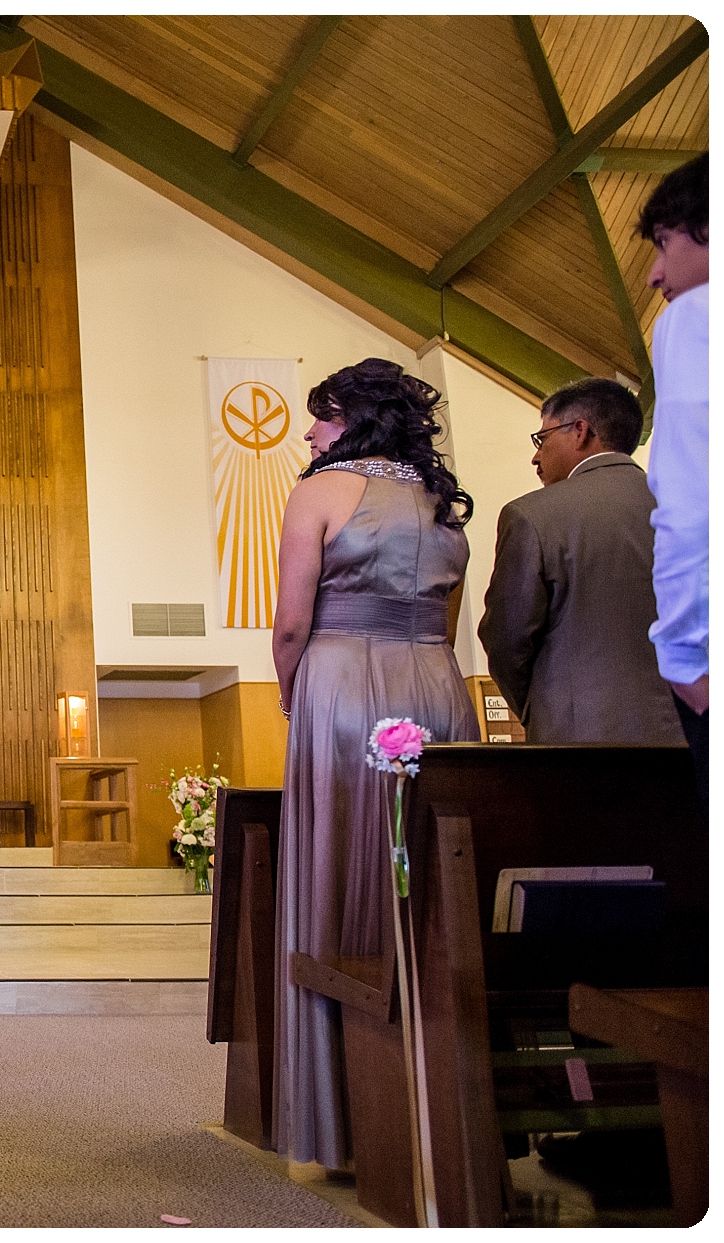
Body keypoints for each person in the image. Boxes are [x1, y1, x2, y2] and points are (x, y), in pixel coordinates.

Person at [270, 358, 479, 1171]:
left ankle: (345, 1118)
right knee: (429, 879)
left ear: (354, 419)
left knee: (337, 868)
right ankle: (439, 1104)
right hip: (437, 684)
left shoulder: (321, 490)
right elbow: (447, 617)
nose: (309, 433)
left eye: (321, 416)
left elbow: (292, 622)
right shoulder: (441, 499)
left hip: (344, 683)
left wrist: (292, 691)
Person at [477, 379, 683, 744]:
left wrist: (541, 708)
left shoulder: (532, 515)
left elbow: (507, 640)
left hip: (578, 744)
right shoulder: (693, 514)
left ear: (580, 431)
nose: (536, 457)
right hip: (691, 737)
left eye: (542, 439)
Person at [637, 154, 708, 778]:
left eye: (665, 241)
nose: (655, 274)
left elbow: (693, 503)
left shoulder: (695, 317)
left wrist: (684, 658)